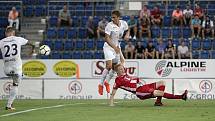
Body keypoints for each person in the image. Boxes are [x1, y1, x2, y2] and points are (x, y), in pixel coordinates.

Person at [109, 64, 188, 106]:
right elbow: (113, 93)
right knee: (160, 93)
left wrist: (119, 50)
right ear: (117, 72)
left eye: (122, 68)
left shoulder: (124, 74)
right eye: (120, 69)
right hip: (139, 91)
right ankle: (181, 97)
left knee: (162, 82)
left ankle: (158, 102)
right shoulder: (118, 80)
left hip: (143, 86)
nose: (122, 69)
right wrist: (111, 103)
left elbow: (122, 60)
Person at [98, 10, 129, 95]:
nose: (112, 19)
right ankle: (100, 84)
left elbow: (127, 30)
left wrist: (127, 35)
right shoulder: (109, 25)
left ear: (119, 17)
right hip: (109, 47)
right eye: (112, 17)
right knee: (109, 65)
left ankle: (107, 82)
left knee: (117, 67)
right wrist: (114, 47)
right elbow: (107, 38)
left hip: (117, 47)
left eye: (114, 17)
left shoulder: (124, 23)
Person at [0, 27, 28, 110]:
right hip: (16, 69)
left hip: (6, 70)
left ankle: (9, 106)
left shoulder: (1, 42)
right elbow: (27, 42)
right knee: (16, 84)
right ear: (13, 33)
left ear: (6, 33)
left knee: (15, 78)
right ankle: (8, 105)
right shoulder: (18, 39)